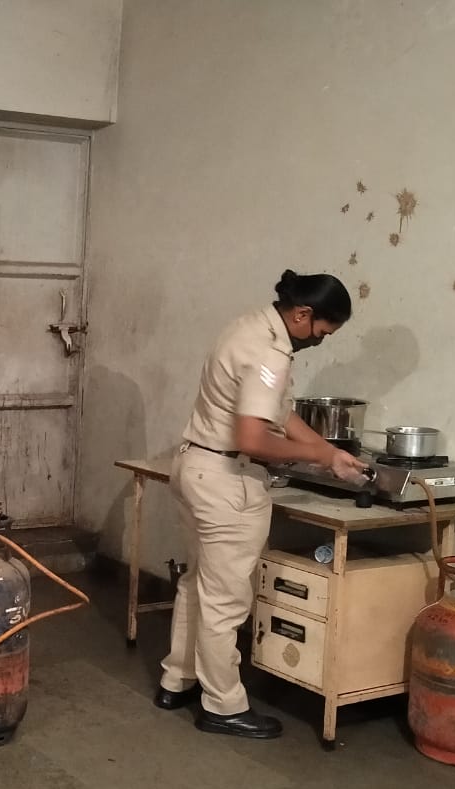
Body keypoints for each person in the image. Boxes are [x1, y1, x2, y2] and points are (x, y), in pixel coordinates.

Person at [154, 270, 367, 739]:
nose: (322, 341)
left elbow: (277, 410)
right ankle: (223, 705)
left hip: (194, 466)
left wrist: (331, 455)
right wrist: (317, 456)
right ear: (303, 314)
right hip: (226, 481)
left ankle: (178, 678)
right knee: (226, 601)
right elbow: (254, 437)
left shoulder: (249, 326)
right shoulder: (270, 351)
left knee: (198, 585)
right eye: (323, 332)